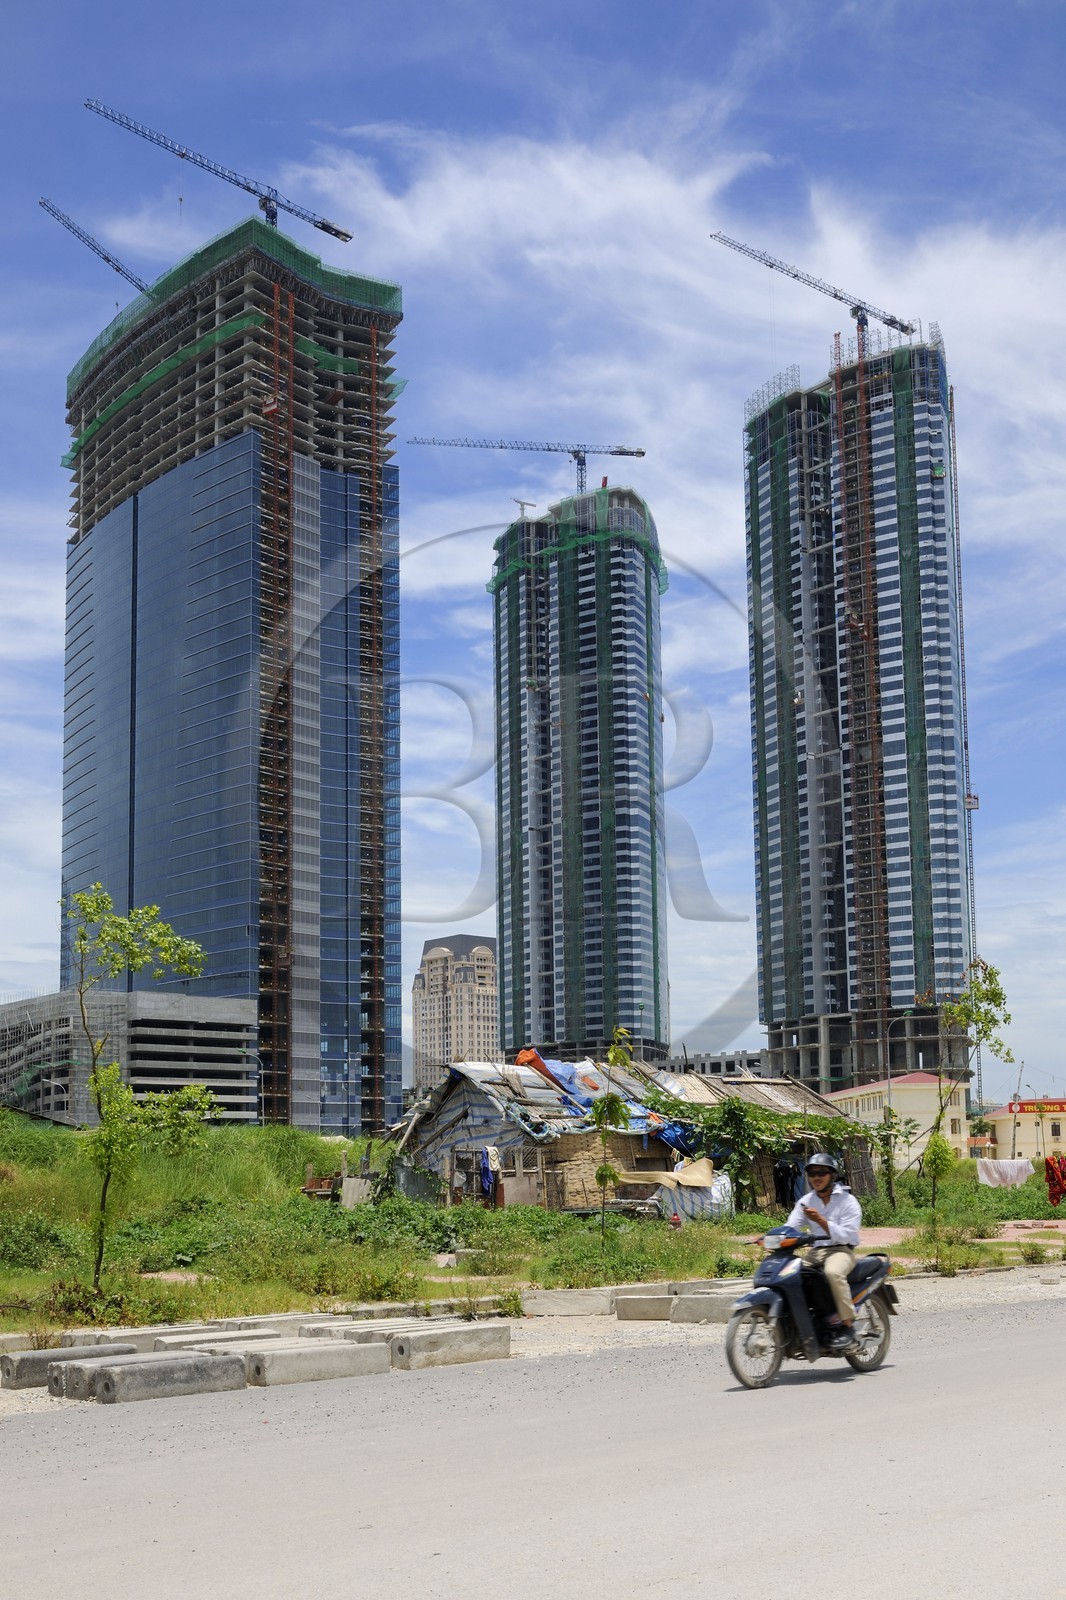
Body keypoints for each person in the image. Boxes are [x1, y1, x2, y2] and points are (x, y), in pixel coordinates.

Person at [786, 1154, 862, 1351]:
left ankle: (847, 1327)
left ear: (832, 1175)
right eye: (812, 1173)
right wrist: (771, 1237)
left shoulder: (848, 1201)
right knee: (790, 1275)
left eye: (822, 1173)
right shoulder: (806, 1201)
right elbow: (791, 1225)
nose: (816, 1177)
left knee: (832, 1273)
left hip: (842, 1250)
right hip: (816, 1251)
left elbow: (847, 1235)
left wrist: (821, 1221)